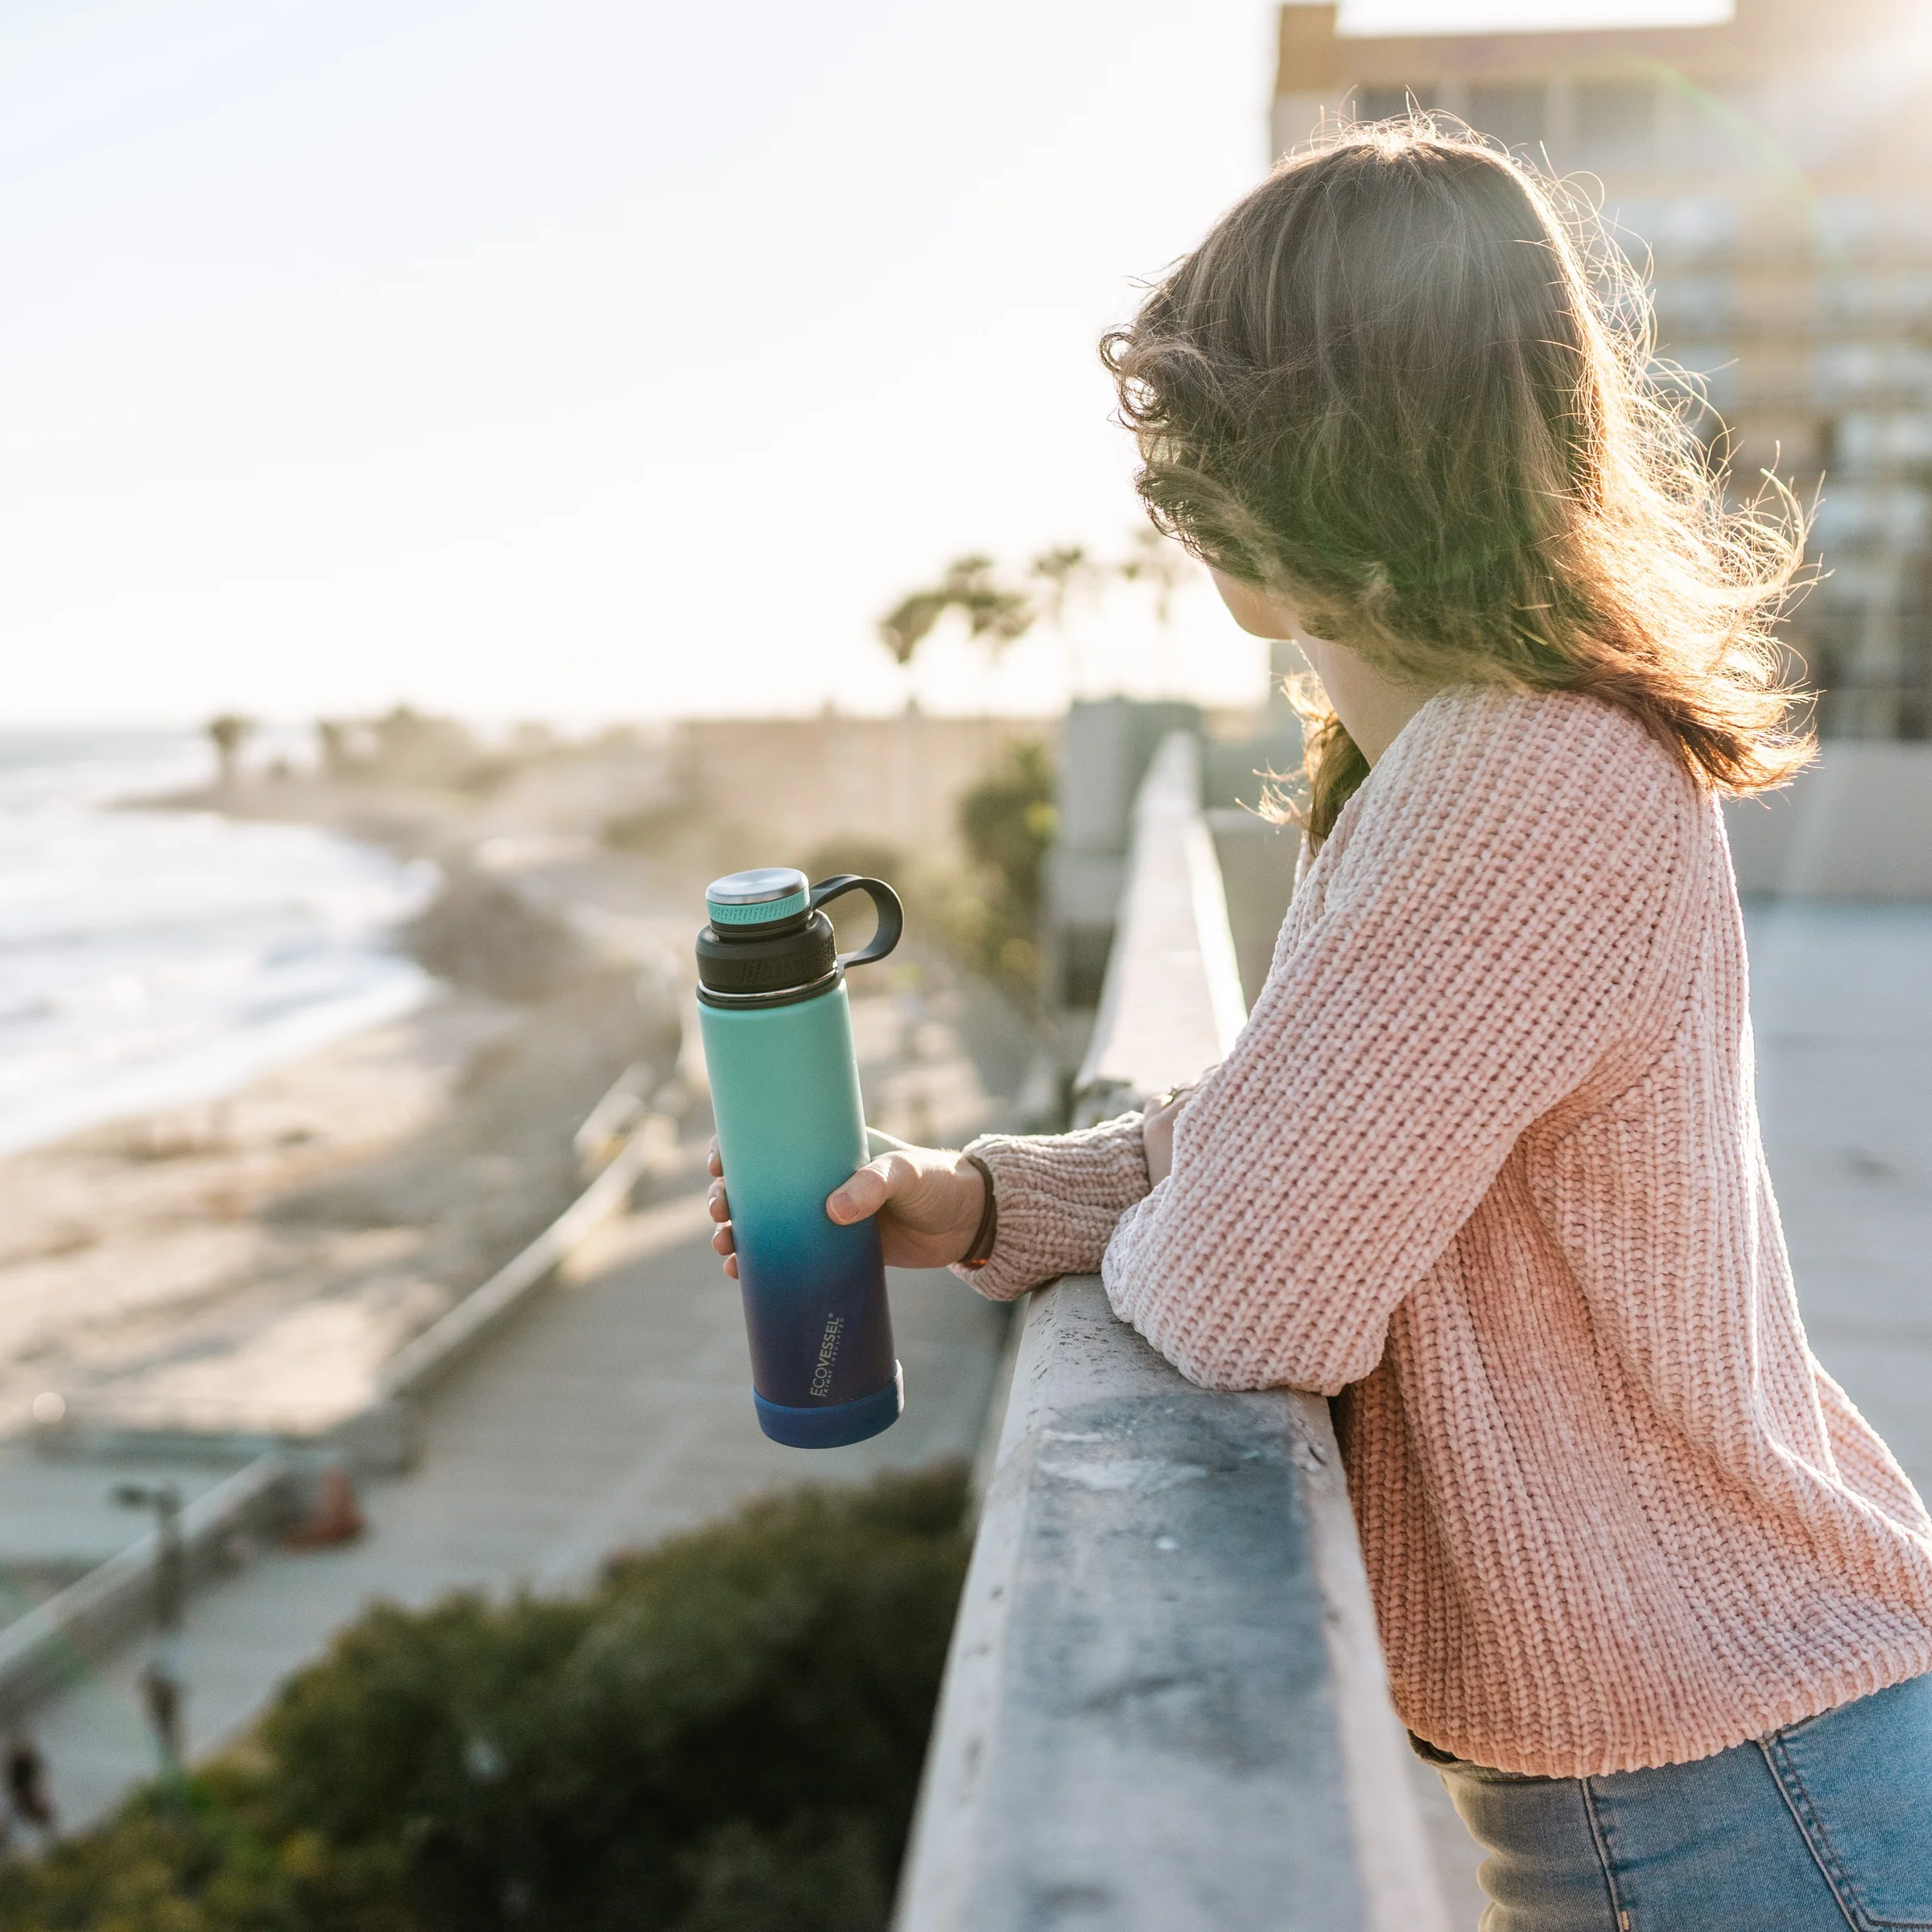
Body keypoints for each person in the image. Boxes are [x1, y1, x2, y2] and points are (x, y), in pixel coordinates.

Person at [709, 124, 1932, 1926]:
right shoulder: (1465, 756)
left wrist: (1197, 1202)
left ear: (1277, 472)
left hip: (1741, 1806)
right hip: (1710, 1768)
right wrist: (982, 1204)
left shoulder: (1520, 784)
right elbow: (1277, 1135)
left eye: (1190, 442)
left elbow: (1243, 1285)